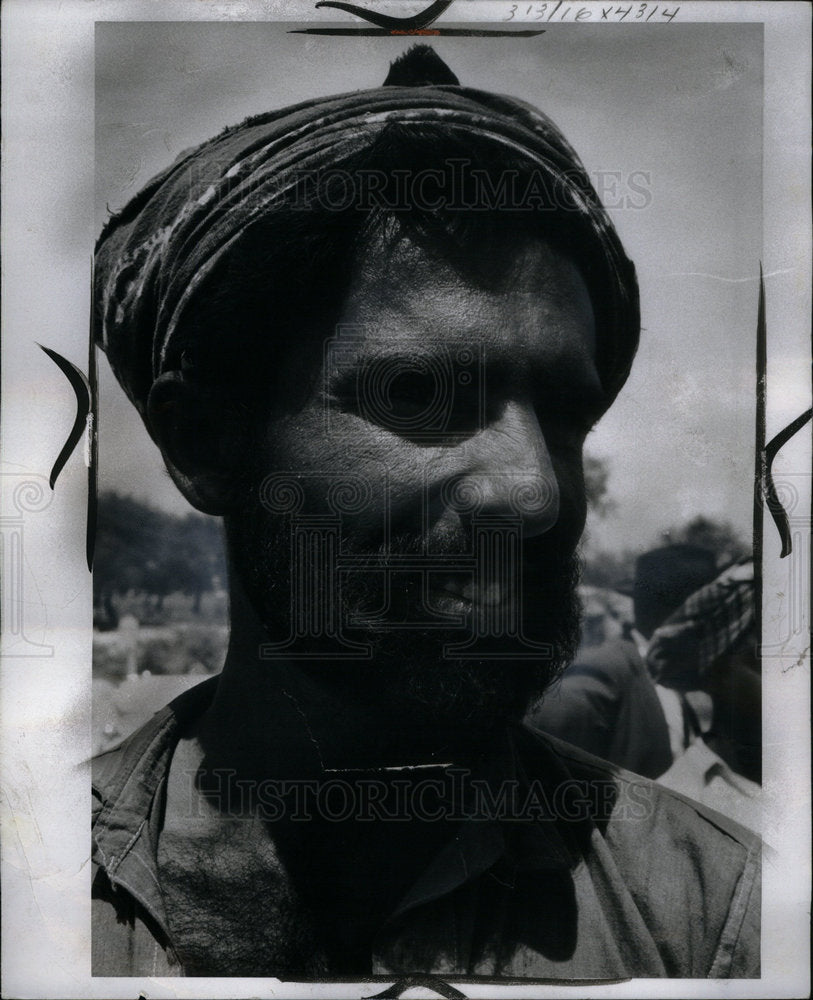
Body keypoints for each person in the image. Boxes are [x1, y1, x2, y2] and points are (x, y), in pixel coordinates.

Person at [91, 46, 760, 979]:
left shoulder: (713, 921)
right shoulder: (40, 882)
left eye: (564, 412)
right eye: (419, 396)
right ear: (204, 440)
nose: (534, 492)